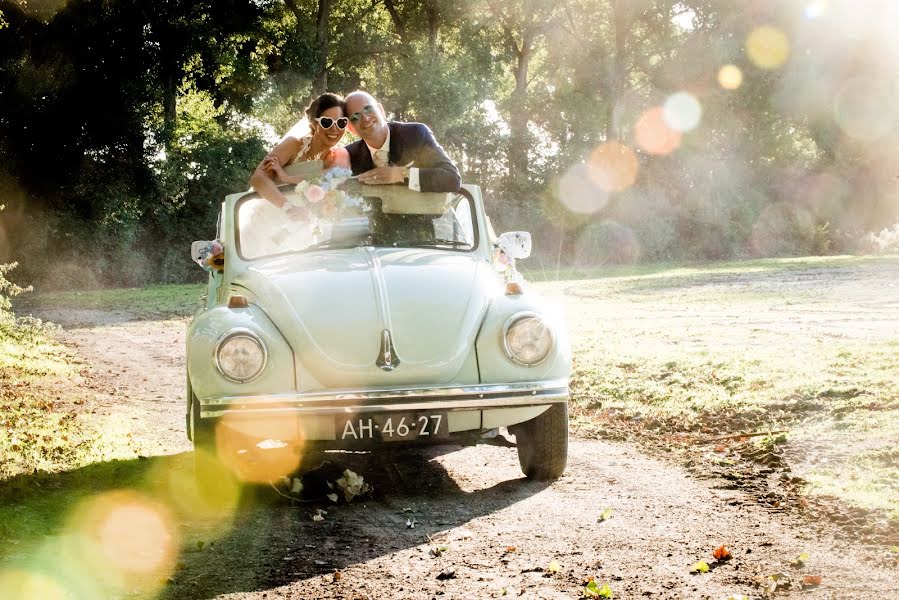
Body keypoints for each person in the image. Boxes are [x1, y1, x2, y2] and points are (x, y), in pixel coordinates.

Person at [342, 91, 461, 193]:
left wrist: (401, 174)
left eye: (368, 108)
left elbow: (452, 179)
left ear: (381, 110)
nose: (366, 119)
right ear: (351, 128)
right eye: (355, 117)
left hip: (418, 219)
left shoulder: (415, 134)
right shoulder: (349, 155)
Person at [249, 92, 351, 209]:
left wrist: (287, 178)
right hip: (271, 214)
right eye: (326, 122)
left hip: (310, 221)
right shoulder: (293, 145)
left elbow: (332, 179)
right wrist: (289, 208)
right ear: (314, 123)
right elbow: (258, 179)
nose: (334, 129)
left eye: (341, 122)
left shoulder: (338, 155)